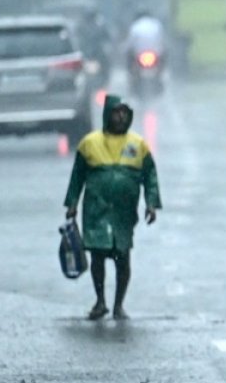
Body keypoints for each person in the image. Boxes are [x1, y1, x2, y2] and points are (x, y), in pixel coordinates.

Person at [63, 94, 161, 320]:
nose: (120, 117)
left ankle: (118, 304)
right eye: (116, 112)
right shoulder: (90, 143)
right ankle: (100, 301)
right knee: (97, 256)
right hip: (96, 211)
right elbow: (77, 176)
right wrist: (72, 203)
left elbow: (150, 176)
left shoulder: (138, 145)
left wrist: (151, 203)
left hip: (123, 214)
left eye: (124, 113)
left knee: (122, 256)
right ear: (108, 114)